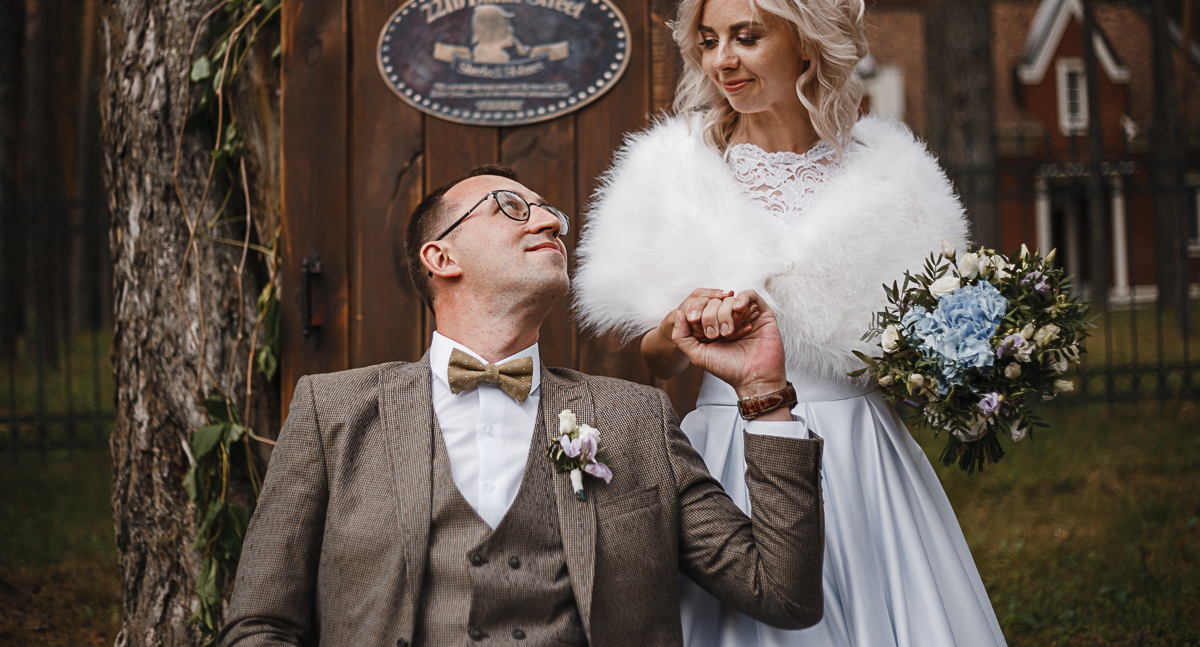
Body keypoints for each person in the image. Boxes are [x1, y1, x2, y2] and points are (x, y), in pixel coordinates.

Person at [573, 0, 1007, 647]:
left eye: (746, 37)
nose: (723, 60)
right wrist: (680, 324)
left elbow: (914, 355)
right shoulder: (670, 173)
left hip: (863, 455)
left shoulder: (892, 174)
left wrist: (962, 372)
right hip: (729, 449)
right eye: (708, 40)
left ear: (805, 42)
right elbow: (656, 362)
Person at [220, 164, 825, 647]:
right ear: (441, 258)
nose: (551, 221)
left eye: (552, 212)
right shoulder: (333, 411)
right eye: (511, 206)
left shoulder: (635, 419)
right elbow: (261, 623)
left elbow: (783, 594)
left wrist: (763, 391)